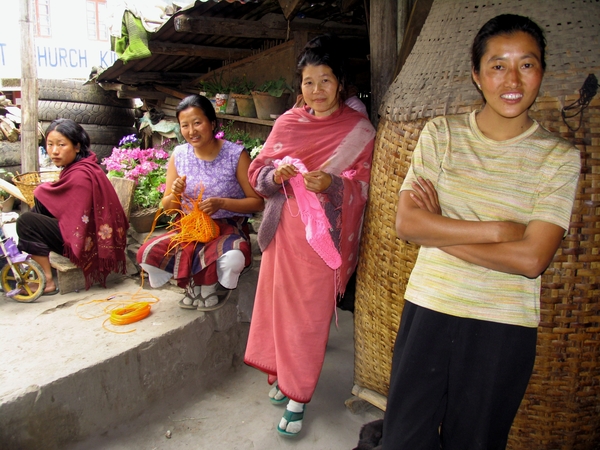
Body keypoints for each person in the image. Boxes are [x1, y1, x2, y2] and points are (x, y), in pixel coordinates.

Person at [381, 14, 581, 449]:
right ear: (476, 74)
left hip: (502, 326)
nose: (512, 79)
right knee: (402, 440)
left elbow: (531, 260)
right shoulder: (442, 135)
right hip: (430, 308)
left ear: (542, 71)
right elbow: (408, 222)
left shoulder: (558, 158)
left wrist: (441, 231)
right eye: (497, 65)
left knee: (475, 442)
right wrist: (500, 231)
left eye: (526, 64)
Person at [244, 34, 376, 438]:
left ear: (341, 83)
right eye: (308, 82)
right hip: (284, 232)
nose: (316, 91)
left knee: (309, 315)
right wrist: (274, 175)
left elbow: (366, 184)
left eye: (325, 81)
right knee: (279, 305)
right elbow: (258, 174)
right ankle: (284, 373)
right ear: (299, 86)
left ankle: (299, 394)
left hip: (324, 242)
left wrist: (333, 184)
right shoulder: (287, 122)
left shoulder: (359, 130)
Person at [137, 94, 264, 311]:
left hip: (227, 227)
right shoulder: (179, 155)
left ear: (212, 123)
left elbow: (257, 203)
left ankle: (211, 285)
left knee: (232, 256)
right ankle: (198, 284)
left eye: (197, 123)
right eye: (184, 125)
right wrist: (175, 194)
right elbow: (168, 207)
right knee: (147, 254)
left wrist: (222, 203)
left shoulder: (236, 155)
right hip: (189, 228)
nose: (191, 131)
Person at [16, 118, 129, 294]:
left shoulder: (81, 175)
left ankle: (46, 281)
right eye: (50, 144)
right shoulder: (82, 166)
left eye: (61, 145)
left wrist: (41, 191)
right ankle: (36, 258)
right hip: (96, 237)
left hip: (91, 244)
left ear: (77, 147)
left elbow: (72, 213)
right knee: (39, 209)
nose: (54, 151)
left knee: (26, 222)